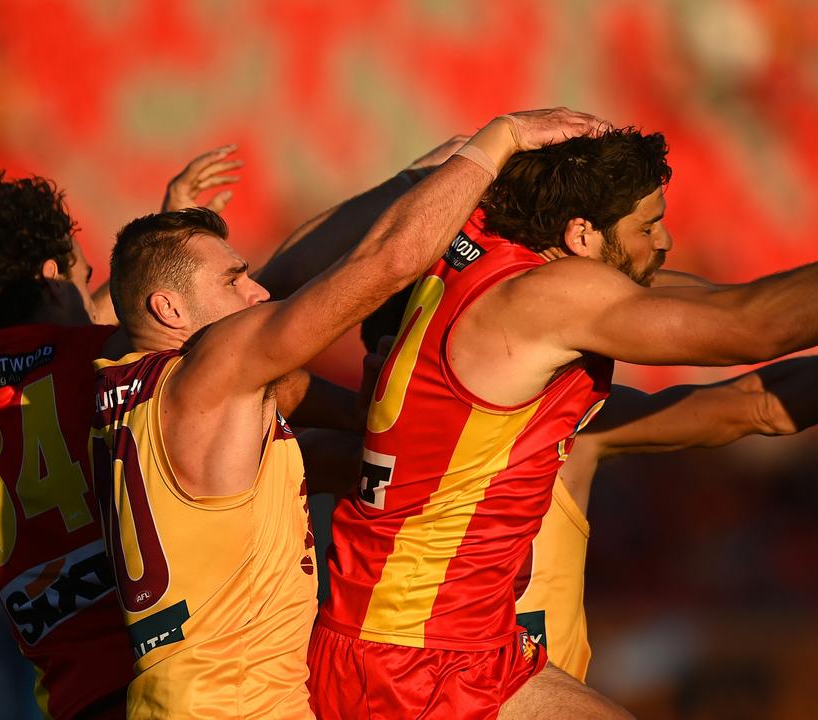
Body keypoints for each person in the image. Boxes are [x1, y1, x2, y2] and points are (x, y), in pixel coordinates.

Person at [311, 127, 818, 718]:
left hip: (453, 652)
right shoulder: (545, 304)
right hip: (418, 662)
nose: (665, 240)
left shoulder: (504, 272)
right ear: (580, 235)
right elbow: (751, 332)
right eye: (647, 226)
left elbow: (747, 315)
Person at [88, 108, 606, 719]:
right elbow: (384, 266)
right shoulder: (215, 369)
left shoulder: (118, 378)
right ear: (169, 310)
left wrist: (413, 180)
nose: (258, 293)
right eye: (235, 281)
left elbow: (322, 431)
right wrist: (501, 140)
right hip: (236, 708)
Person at [0, 147, 242, 718]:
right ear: (52, 277)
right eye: (86, 276)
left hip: (67, 699)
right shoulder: (96, 361)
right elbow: (113, 336)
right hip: (161, 682)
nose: (97, 301)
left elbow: (57, 351)